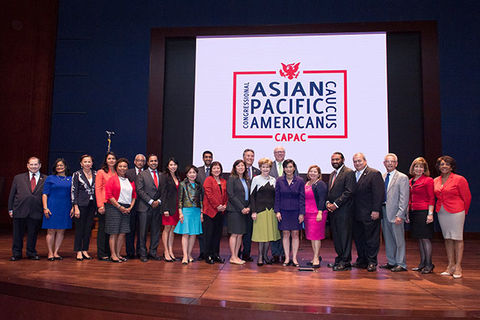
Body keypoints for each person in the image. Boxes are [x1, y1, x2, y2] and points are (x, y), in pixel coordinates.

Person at [434, 156, 471, 279]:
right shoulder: (436, 180)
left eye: (447, 164)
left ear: (451, 167)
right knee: (448, 238)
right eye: (442, 164)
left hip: (457, 211)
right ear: (438, 167)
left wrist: (463, 212)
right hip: (442, 211)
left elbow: (467, 197)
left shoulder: (459, 179)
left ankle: (458, 266)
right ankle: (450, 265)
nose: (444, 166)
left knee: (457, 238)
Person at [8, 156, 46, 261]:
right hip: (19, 210)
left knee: (33, 234)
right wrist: (10, 209)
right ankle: (16, 254)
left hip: (36, 210)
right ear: (27, 165)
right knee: (17, 234)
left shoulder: (46, 179)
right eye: (31, 164)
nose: (33, 166)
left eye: (36, 164)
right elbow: (12, 194)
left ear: (40, 165)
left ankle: (31, 253)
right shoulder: (18, 178)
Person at [352, 153, 385, 272]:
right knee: (359, 239)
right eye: (355, 161)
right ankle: (362, 260)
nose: (357, 163)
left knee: (371, 239)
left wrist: (376, 210)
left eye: (359, 161)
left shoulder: (374, 174)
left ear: (365, 161)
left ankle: (372, 262)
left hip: (370, 213)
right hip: (356, 214)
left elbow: (379, 194)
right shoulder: (353, 174)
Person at [326, 152, 355, 271]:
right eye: (333, 159)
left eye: (337, 159)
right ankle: (339, 259)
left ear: (343, 160)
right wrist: (328, 203)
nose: (335, 161)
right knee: (337, 237)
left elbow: (349, 192)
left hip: (344, 211)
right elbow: (330, 192)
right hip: (333, 211)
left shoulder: (348, 172)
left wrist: (336, 204)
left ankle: (346, 261)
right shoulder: (333, 174)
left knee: (344, 237)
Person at [380, 153, 409, 272]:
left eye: (392, 161)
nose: (390, 163)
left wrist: (400, 214)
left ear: (396, 163)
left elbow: (404, 197)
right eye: (387, 161)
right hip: (384, 211)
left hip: (396, 213)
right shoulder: (383, 176)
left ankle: (401, 263)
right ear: (384, 163)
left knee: (399, 240)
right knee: (388, 238)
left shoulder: (402, 177)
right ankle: (391, 262)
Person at [250, 158, 281, 266]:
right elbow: (252, 197)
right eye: (263, 167)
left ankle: (266, 256)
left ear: (270, 168)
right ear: (260, 168)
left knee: (268, 235)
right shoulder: (256, 179)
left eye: (267, 167)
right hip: (260, 211)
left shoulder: (274, 180)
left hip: (271, 211)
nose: (265, 169)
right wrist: (253, 211)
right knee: (261, 236)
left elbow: (276, 197)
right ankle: (260, 256)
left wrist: (277, 211)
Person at [105, 158, 136, 263]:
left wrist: (130, 207)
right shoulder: (112, 179)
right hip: (114, 208)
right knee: (114, 232)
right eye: (120, 166)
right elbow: (109, 195)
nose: (123, 168)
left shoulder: (130, 180)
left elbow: (134, 195)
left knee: (122, 232)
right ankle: (113, 255)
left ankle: (118, 254)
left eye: (125, 166)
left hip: (127, 208)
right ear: (116, 168)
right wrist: (119, 206)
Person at [274, 159, 305, 267]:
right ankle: (287, 258)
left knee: (295, 234)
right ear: (284, 169)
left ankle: (295, 258)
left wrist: (302, 213)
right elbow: (277, 197)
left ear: (294, 168)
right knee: (285, 234)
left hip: (296, 211)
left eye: (290, 167)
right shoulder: (279, 180)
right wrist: (277, 211)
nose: (288, 169)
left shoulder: (300, 181)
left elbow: (302, 198)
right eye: (286, 167)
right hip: (283, 211)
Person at [41, 158, 73, 261]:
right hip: (52, 206)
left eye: (61, 165)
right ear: (55, 167)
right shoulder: (50, 178)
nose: (59, 167)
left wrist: (73, 207)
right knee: (51, 230)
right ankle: (50, 252)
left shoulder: (71, 179)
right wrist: (45, 208)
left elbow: (73, 195)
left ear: (65, 166)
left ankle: (56, 252)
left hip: (65, 206)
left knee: (61, 231)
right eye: (57, 165)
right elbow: (45, 194)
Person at [408, 157, 435, 274]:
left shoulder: (428, 180)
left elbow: (431, 198)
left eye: (421, 167)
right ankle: (422, 263)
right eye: (416, 166)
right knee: (419, 238)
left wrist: (430, 214)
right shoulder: (410, 181)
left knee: (425, 238)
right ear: (413, 168)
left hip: (424, 212)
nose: (418, 169)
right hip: (414, 212)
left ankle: (429, 264)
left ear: (424, 169)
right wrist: (407, 213)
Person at [135, 154, 163, 262]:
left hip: (157, 207)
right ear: (148, 163)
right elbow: (140, 190)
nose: (154, 163)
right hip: (144, 207)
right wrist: (151, 201)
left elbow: (163, 190)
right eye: (151, 161)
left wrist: (159, 201)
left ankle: (153, 252)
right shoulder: (142, 174)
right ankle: (142, 253)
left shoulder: (162, 175)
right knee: (142, 232)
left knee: (156, 231)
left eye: (155, 161)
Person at [174, 165, 203, 264]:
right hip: (186, 211)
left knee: (193, 234)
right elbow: (180, 200)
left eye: (194, 172)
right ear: (186, 174)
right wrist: (180, 213)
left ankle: (189, 254)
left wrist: (201, 213)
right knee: (186, 233)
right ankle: (185, 256)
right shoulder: (182, 184)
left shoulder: (199, 185)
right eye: (190, 172)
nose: (192, 174)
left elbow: (201, 200)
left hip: (196, 211)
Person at [71, 154, 97, 261]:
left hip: (92, 205)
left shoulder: (96, 174)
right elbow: (73, 191)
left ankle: (85, 249)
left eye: (89, 161)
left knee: (88, 228)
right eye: (85, 162)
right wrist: (75, 206)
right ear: (81, 163)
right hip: (81, 205)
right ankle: (78, 251)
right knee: (80, 229)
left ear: (92, 163)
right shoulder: (77, 174)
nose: (87, 164)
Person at [202, 161, 228, 264]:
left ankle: (216, 254)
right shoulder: (208, 180)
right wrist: (217, 206)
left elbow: (226, 195)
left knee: (217, 235)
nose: (216, 170)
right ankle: (208, 255)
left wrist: (225, 205)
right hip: (210, 211)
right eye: (214, 168)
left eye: (218, 168)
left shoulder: (223, 181)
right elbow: (209, 195)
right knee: (209, 234)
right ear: (211, 170)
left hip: (220, 212)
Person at [226, 159, 250, 265]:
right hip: (235, 210)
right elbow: (231, 195)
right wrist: (241, 208)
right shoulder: (232, 178)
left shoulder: (246, 179)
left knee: (240, 234)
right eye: (238, 166)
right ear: (235, 168)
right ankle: (233, 256)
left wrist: (248, 207)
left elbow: (250, 195)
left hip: (244, 211)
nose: (241, 167)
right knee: (234, 234)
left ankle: (236, 256)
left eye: (242, 166)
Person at [304, 165, 327, 268]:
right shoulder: (307, 183)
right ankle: (314, 256)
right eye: (311, 171)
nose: (312, 173)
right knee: (311, 237)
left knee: (316, 237)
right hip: (307, 213)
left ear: (319, 174)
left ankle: (317, 258)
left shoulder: (320, 184)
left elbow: (322, 199)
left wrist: (320, 212)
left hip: (317, 213)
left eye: (315, 172)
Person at [95, 152, 116, 261]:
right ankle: (102, 253)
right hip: (104, 204)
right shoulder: (101, 172)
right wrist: (100, 205)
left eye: (113, 158)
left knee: (111, 230)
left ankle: (110, 251)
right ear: (106, 160)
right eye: (109, 158)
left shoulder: (117, 172)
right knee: (103, 230)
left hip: (115, 206)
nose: (111, 160)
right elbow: (98, 189)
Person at [125, 153, 145, 259]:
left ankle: (140, 252)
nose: (140, 162)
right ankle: (130, 252)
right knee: (130, 230)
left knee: (142, 231)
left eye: (142, 161)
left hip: (144, 206)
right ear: (134, 161)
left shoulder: (147, 173)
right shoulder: (128, 173)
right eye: (138, 160)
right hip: (130, 205)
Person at [241, 149, 260, 262]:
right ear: (243, 157)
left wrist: (251, 207)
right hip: (239, 208)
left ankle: (246, 254)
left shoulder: (257, 171)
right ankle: (236, 253)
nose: (250, 158)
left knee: (248, 232)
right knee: (238, 232)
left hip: (252, 207)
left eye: (252, 156)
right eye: (248, 156)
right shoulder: (238, 170)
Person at [161, 157, 180, 262]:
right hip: (168, 208)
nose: (173, 167)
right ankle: (166, 251)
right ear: (168, 166)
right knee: (167, 229)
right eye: (171, 165)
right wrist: (165, 208)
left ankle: (170, 250)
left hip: (176, 208)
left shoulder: (177, 177)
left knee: (172, 229)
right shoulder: (165, 177)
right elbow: (163, 194)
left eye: (175, 165)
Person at [195, 150, 213, 260]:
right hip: (200, 203)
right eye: (206, 157)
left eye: (210, 157)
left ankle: (210, 252)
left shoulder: (215, 170)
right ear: (203, 158)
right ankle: (202, 252)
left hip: (212, 205)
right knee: (201, 231)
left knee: (210, 230)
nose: (208, 159)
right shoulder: (198, 171)